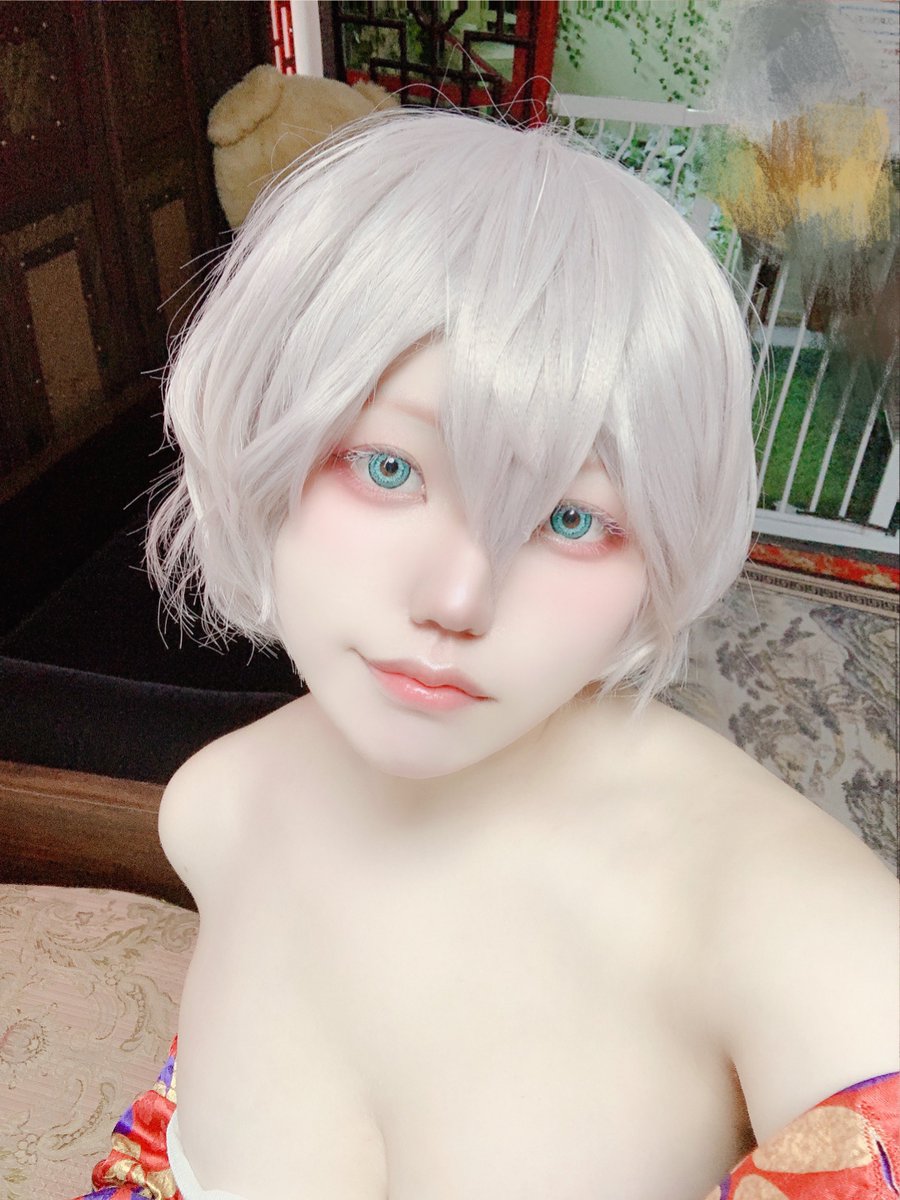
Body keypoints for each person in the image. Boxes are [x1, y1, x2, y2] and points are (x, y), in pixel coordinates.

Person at [73, 106, 898, 1200]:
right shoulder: (216, 807)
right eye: (388, 468)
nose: (458, 600)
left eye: (571, 519)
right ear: (258, 437)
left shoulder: (786, 922)